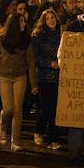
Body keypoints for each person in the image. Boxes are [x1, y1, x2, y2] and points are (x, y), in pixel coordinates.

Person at [0, 11, 37, 151]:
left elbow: (31, 63)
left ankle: (15, 141)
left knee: (18, 109)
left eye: (24, 21)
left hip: (20, 76)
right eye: (21, 21)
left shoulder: (26, 40)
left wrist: (34, 84)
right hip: (4, 76)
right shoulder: (2, 39)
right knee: (8, 108)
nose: (24, 24)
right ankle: (3, 127)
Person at [30, 9, 63, 149]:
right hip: (45, 77)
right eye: (48, 18)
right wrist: (49, 64)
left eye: (53, 17)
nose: (51, 20)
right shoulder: (38, 36)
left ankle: (52, 139)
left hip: (60, 77)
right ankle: (39, 130)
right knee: (46, 108)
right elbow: (35, 58)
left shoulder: (62, 35)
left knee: (56, 108)